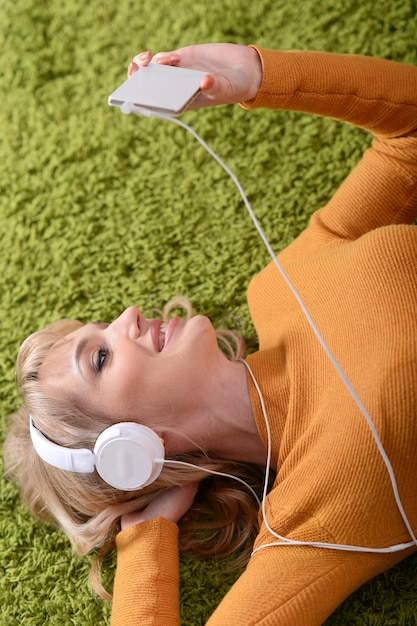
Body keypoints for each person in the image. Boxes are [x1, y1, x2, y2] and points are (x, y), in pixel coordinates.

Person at [4, 42, 417, 626]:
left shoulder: (280, 286)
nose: (126, 316)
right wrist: (147, 536)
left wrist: (256, 76)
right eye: (98, 357)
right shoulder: (312, 518)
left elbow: (409, 142)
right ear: (136, 448)